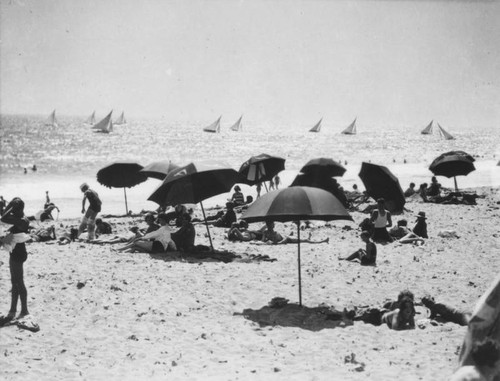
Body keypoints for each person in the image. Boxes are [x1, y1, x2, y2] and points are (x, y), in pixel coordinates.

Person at [0, 198, 31, 325]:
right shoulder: (21, 217)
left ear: (16, 208)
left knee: (18, 281)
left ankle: (24, 309)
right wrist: (11, 205)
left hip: (18, 253)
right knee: (14, 282)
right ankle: (13, 309)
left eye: (13, 208)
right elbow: (4, 216)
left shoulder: (21, 220)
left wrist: (10, 207)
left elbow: (3, 218)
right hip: (16, 251)